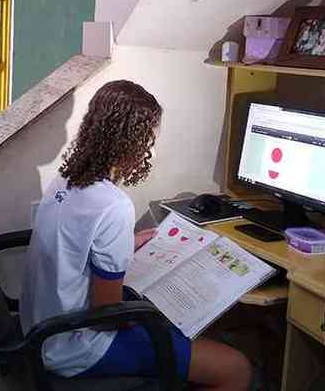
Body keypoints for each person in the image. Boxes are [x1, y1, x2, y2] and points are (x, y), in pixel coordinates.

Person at [20, 80, 252, 391]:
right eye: (147, 139)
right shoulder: (114, 206)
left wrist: (124, 246)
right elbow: (108, 316)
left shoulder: (66, 178)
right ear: (127, 140)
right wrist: (158, 319)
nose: (150, 149)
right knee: (235, 368)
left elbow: (75, 246)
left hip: (42, 331)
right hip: (78, 348)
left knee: (173, 327)